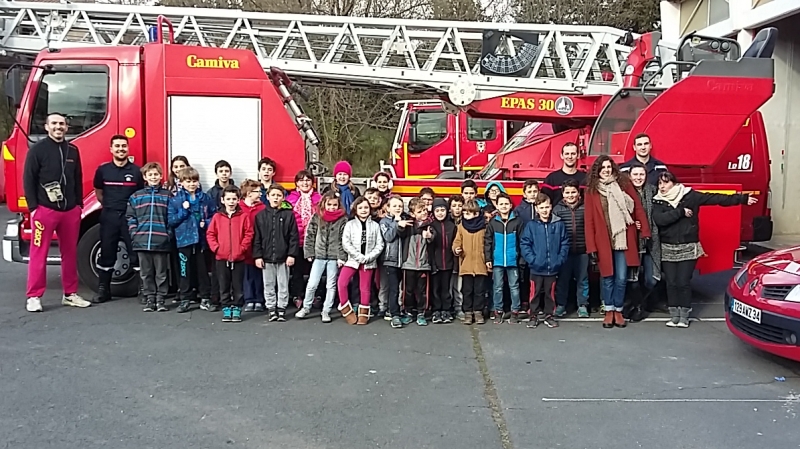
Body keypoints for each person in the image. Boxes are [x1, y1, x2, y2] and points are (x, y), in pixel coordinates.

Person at [653, 172, 756, 328]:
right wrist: (681, 212)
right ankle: (674, 315)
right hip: (667, 246)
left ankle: (684, 316)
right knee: (671, 283)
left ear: (674, 183)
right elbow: (660, 220)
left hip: (688, 246)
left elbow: (715, 198)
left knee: (683, 281)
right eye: (660, 183)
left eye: (666, 183)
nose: (662, 187)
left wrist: (742, 199)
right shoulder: (657, 201)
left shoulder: (690, 196)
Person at [22, 112, 91, 312]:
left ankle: (70, 294)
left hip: (70, 211)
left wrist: (78, 205)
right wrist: (33, 208)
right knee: (39, 253)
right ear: (47, 127)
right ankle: (34, 296)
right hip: (45, 210)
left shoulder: (73, 150)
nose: (58, 127)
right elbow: (29, 179)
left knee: (69, 253)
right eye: (54, 123)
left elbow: (78, 177)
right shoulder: (37, 150)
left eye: (61, 124)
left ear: (67, 127)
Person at [584, 155, 651, 329]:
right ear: (597, 171)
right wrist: (591, 246)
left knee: (621, 278)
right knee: (608, 278)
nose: (606, 170)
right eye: (603, 167)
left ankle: (618, 311)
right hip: (604, 241)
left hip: (623, 239)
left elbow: (637, 208)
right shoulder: (592, 191)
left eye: (609, 167)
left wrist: (644, 231)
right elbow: (589, 220)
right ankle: (608, 311)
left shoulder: (624, 185)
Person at [92, 134, 144, 303]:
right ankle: (103, 290)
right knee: (107, 252)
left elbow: (140, 194)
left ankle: (143, 290)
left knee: (135, 252)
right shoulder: (103, 170)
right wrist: (109, 205)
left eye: (124, 146)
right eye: (117, 146)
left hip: (130, 218)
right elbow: (99, 192)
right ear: (111, 149)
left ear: (128, 149)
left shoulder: (136, 171)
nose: (121, 149)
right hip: (109, 216)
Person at [168, 167, 215, 313]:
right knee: (184, 271)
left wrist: (206, 223)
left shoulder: (205, 199)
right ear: (181, 182)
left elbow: (214, 216)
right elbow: (171, 220)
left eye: (194, 181)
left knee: (202, 271)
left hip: (200, 240)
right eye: (188, 181)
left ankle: (205, 298)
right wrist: (183, 211)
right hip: (184, 241)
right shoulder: (176, 200)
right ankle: (185, 299)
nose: (192, 184)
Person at [126, 162, 171, 312]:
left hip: (161, 240)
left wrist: (168, 234)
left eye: (156, 174)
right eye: (150, 174)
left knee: (161, 273)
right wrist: (134, 233)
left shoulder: (167, 196)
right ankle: (149, 299)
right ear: (145, 177)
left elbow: (171, 218)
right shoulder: (136, 196)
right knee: (146, 273)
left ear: (161, 176)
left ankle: (161, 299)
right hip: (142, 241)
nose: (153, 177)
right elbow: (130, 217)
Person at [206, 185, 254, 323]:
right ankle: (226, 308)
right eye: (228, 199)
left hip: (239, 258)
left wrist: (242, 248)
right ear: (222, 200)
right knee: (224, 285)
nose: (231, 201)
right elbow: (210, 234)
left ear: (239, 200)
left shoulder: (243, 216)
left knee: (238, 286)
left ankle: (237, 309)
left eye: (234, 199)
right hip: (221, 258)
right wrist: (216, 248)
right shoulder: (217, 217)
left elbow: (248, 233)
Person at [520, 193, 569, 328]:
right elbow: (525, 244)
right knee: (534, 293)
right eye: (541, 207)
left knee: (550, 293)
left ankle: (549, 315)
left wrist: (559, 259)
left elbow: (564, 242)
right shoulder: (531, 225)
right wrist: (533, 260)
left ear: (551, 207)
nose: (545, 210)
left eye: (547, 207)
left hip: (552, 267)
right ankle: (533, 316)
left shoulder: (558, 224)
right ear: (537, 209)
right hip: (536, 267)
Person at [297, 191, 347, 323]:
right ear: (324, 204)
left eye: (334, 205)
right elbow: (310, 235)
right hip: (319, 256)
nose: (332, 207)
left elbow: (343, 239)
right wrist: (309, 252)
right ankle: (306, 307)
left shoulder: (343, 219)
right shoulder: (317, 217)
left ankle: (326, 310)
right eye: (329, 204)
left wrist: (341, 257)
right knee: (312, 283)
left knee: (331, 285)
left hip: (333, 256)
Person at [252, 184, 299, 322]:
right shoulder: (260, 216)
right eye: (273, 195)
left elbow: (293, 237)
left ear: (283, 198)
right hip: (266, 257)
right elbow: (257, 238)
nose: (276, 198)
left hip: (283, 257)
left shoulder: (288, 215)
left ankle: (282, 308)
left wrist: (291, 254)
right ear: (267, 196)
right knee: (269, 284)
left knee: (283, 284)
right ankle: (271, 309)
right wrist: (257, 256)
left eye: (279, 195)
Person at [338, 196, 384, 325]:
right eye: (360, 208)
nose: (363, 210)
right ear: (355, 209)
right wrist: (358, 256)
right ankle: (346, 309)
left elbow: (379, 244)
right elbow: (346, 243)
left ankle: (364, 313)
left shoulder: (375, 225)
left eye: (366, 207)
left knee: (365, 288)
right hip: (353, 260)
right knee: (342, 283)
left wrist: (369, 257)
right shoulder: (350, 224)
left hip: (368, 261)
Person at [625, 162, 662, 322]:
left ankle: (639, 303)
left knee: (651, 279)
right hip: (633, 240)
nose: (638, 178)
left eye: (641, 174)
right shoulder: (624, 193)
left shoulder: (653, 191)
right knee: (632, 279)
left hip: (650, 240)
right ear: (630, 176)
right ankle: (638, 307)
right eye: (635, 174)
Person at [484, 192, 524, 323]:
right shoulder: (493, 223)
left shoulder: (518, 222)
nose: (504, 206)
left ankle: (515, 311)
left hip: (513, 261)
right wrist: (488, 259)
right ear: (497, 206)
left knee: (514, 287)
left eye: (506, 204)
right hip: (497, 261)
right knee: (497, 287)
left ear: (511, 205)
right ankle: (498, 311)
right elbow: (488, 242)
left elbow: (522, 241)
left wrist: (521, 258)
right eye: (501, 204)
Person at [552, 179, 589, 318]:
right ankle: (561, 305)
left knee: (583, 279)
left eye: (573, 192)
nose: (570, 195)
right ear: (563, 194)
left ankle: (583, 305)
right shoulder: (557, 209)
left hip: (582, 251)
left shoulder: (586, 208)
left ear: (578, 193)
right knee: (563, 279)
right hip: (564, 252)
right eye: (567, 192)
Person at [286, 170, 322, 309]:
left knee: (315, 270)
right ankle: (297, 295)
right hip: (297, 240)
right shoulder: (290, 199)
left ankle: (315, 296)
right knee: (298, 271)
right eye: (301, 180)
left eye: (307, 180)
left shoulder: (319, 198)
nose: (305, 183)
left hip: (314, 241)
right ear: (297, 183)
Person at [452, 199, 488, 325]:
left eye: (469, 213)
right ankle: (467, 312)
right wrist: (457, 249)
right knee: (467, 290)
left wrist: (487, 259)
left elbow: (488, 244)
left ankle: (478, 312)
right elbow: (457, 241)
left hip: (480, 264)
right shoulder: (461, 227)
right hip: (466, 264)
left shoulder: (484, 227)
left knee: (479, 290)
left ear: (477, 214)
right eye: (465, 213)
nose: (466, 216)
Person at [400, 199, 434, 325]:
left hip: (424, 264)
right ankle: (408, 312)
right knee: (407, 290)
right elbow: (400, 233)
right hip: (408, 264)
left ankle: (421, 313)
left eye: (425, 210)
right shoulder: (408, 225)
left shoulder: (430, 224)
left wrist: (430, 237)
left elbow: (434, 239)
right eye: (420, 211)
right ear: (413, 214)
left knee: (422, 291)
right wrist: (400, 226)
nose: (424, 213)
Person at [205, 160, 234, 308]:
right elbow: (208, 214)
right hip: (219, 238)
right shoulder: (211, 193)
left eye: (226, 171)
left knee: (234, 274)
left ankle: (232, 300)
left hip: (233, 240)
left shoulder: (235, 190)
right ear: (216, 173)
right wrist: (215, 245)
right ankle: (215, 299)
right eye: (221, 171)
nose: (224, 174)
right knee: (217, 273)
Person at [380, 195, 413, 328]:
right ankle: (394, 314)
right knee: (392, 289)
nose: (398, 208)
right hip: (390, 260)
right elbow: (388, 237)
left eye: (400, 206)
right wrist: (397, 224)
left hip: (404, 260)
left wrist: (402, 226)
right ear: (388, 208)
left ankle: (401, 309)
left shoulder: (405, 220)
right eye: (394, 206)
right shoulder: (384, 222)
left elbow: (404, 236)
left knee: (402, 288)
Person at [239, 180, 266, 312]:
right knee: (247, 275)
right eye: (257, 192)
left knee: (259, 275)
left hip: (258, 246)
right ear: (249, 193)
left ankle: (259, 299)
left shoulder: (262, 208)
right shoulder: (239, 208)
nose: (260, 194)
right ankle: (249, 299)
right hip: (244, 247)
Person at [430, 198, 457, 324]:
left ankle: (446, 309)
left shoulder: (452, 226)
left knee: (446, 288)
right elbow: (430, 247)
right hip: (435, 263)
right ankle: (436, 310)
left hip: (448, 262)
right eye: (437, 210)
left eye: (442, 210)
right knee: (435, 288)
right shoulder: (431, 226)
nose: (440, 213)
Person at [448, 195, 465, 321]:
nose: (457, 209)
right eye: (454, 206)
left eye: (459, 206)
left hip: (461, 258)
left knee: (459, 286)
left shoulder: (466, 222)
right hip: (447, 259)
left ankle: (459, 307)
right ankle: (448, 308)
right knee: (448, 285)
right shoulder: (447, 221)